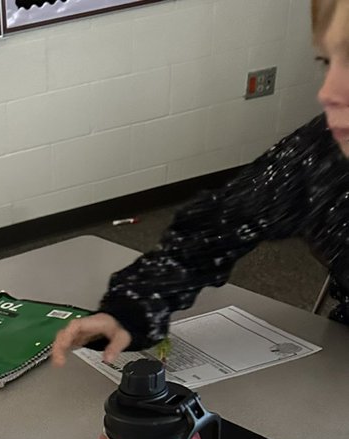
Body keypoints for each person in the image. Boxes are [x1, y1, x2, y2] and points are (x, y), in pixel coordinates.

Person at [52, 0, 349, 366]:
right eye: (328, 61)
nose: (328, 92)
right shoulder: (324, 152)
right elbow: (211, 232)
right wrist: (129, 311)